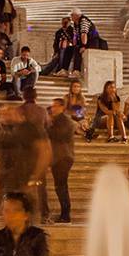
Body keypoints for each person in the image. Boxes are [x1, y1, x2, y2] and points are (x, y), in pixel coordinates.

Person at [43, 93, 79, 224]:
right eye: (52, 106)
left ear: (61, 107)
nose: (52, 108)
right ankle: (65, 213)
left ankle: (66, 214)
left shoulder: (65, 121)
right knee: (60, 186)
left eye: (55, 106)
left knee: (61, 186)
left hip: (63, 158)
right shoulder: (56, 120)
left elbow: (60, 135)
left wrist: (48, 125)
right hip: (58, 158)